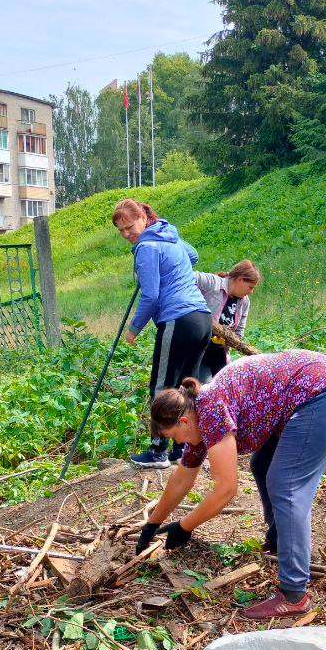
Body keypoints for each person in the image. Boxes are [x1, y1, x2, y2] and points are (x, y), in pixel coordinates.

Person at [134, 350, 326, 620]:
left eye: (174, 437)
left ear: (182, 421)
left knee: (286, 485)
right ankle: (280, 540)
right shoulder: (197, 418)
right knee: (262, 464)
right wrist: (153, 524)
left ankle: (294, 594)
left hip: (323, 390)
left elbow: (226, 489)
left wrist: (185, 526)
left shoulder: (211, 411)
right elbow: (182, 477)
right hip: (306, 392)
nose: (178, 443)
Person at [113, 198, 213, 468]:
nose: (126, 234)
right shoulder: (169, 236)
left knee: (162, 387)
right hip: (202, 320)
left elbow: (152, 297)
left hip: (176, 320)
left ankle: (158, 451)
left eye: (129, 226)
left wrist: (133, 329)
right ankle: (183, 448)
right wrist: (169, 266)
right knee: (185, 387)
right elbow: (193, 255)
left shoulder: (145, 246)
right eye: (121, 230)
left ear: (143, 219)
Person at [195, 260, 261, 380]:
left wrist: (233, 339)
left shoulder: (244, 302)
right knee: (202, 386)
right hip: (198, 350)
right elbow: (187, 277)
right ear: (240, 279)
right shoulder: (213, 283)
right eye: (250, 287)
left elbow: (239, 331)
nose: (251, 292)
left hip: (219, 353)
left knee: (222, 385)